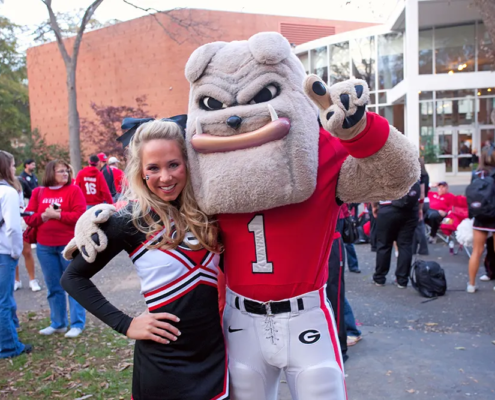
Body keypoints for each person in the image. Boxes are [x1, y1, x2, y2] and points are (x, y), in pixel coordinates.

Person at [61, 120, 228, 400]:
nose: (165, 177)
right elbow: (72, 278)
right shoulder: (129, 220)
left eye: (173, 164)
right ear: (140, 171)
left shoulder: (209, 209)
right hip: (164, 364)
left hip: (215, 353)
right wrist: (125, 324)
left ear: (187, 163)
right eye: (153, 168)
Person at [24, 160, 87, 338]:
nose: (65, 174)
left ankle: (77, 323)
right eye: (61, 171)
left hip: (69, 246)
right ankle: (58, 323)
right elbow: (29, 218)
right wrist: (44, 216)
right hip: (45, 246)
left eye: (67, 171)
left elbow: (81, 215)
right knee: (53, 286)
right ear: (51, 173)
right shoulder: (38, 192)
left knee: (73, 284)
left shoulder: (74, 190)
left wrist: (58, 215)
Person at [0, 151, 32, 358]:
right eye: (12, 166)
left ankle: (11, 330)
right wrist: (15, 251)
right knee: (3, 300)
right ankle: (9, 345)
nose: (14, 169)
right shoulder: (8, 193)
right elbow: (12, 227)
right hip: (3, 251)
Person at [373, 180, 420, 288]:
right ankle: (402, 280)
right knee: (405, 245)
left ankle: (380, 278)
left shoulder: (382, 167)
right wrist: (420, 209)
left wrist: (374, 206)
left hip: (387, 207)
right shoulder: (413, 166)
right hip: (410, 209)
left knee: (384, 244)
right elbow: (420, 192)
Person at [14, 159, 42, 292]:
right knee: (13, 254)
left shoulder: (18, 182)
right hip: (7, 223)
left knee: (27, 251)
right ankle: (16, 280)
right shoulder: (21, 178)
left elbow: (27, 198)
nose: (13, 168)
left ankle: (32, 279)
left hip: (20, 219)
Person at [412, 158, 429, 255]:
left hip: (420, 202)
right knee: (416, 226)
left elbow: (421, 194)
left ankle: (423, 248)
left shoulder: (420, 176)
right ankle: (415, 248)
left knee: (419, 226)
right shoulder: (425, 175)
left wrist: (420, 208)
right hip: (426, 200)